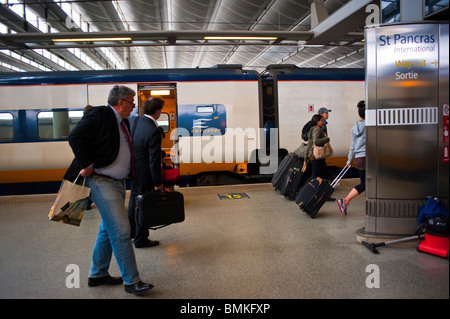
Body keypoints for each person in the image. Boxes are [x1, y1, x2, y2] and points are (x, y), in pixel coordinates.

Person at [64, 85, 153, 296]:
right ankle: (132, 281)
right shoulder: (101, 114)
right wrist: (86, 163)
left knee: (107, 229)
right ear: (120, 102)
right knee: (122, 231)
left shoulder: (121, 122)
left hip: (117, 183)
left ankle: (98, 274)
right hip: (101, 181)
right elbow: (75, 137)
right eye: (132, 101)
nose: (134, 106)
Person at [127, 97, 165, 248]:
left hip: (133, 171)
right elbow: (153, 161)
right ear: (157, 111)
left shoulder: (133, 122)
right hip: (145, 175)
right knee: (143, 206)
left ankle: (131, 233)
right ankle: (141, 239)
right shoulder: (153, 131)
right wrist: (158, 183)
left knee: (133, 204)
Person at [337, 101, 366, 215]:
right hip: (367, 157)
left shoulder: (355, 127)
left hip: (359, 158)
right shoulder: (370, 126)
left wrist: (349, 160)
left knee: (367, 183)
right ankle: (345, 200)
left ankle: (370, 207)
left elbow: (353, 145)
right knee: (366, 184)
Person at [303, 114, 330, 180]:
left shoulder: (311, 129)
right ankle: (305, 189)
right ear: (317, 121)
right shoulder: (317, 129)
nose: (323, 122)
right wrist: (327, 139)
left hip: (313, 155)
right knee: (314, 175)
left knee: (324, 173)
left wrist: (305, 158)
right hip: (317, 156)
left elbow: (309, 145)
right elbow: (316, 141)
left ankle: (330, 185)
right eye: (321, 120)